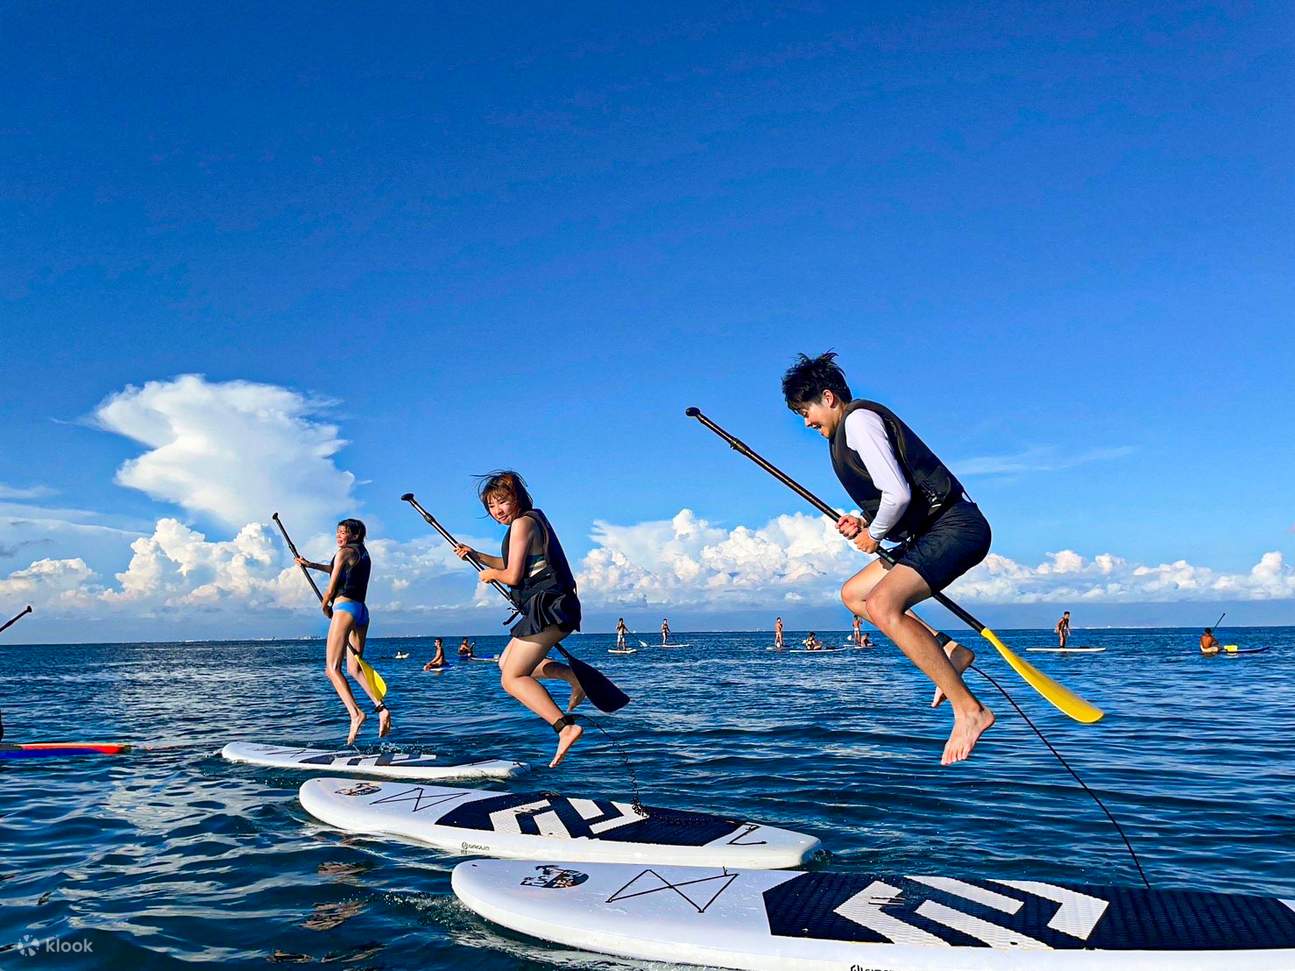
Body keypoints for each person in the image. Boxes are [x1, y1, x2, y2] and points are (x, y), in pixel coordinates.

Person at [782, 352, 993, 765]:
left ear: (828, 397)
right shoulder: (846, 433)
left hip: (957, 528)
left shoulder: (858, 421)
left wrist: (872, 535)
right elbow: (892, 497)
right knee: (856, 594)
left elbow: (898, 494)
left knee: (882, 603)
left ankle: (971, 710)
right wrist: (862, 520)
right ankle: (950, 650)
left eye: (806, 411)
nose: (806, 422)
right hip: (930, 531)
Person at [453, 471, 586, 767]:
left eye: (502, 501)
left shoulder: (522, 523)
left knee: (512, 678)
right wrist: (478, 556)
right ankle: (572, 676)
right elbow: (514, 563)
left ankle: (565, 727)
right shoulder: (527, 522)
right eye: (491, 506)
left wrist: (490, 576)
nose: (497, 510)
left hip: (550, 607)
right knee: (505, 663)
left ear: (517, 498)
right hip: (552, 606)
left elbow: (511, 575)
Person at [296, 519, 390, 744]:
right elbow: (335, 569)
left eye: (343, 533)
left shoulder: (344, 552)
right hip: (361, 611)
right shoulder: (362, 553)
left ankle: (356, 713)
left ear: (355, 535)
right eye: (337, 532)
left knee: (331, 668)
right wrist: (310, 565)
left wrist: (325, 605)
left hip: (344, 608)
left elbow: (332, 585)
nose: (339, 536)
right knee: (354, 668)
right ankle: (381, 708)